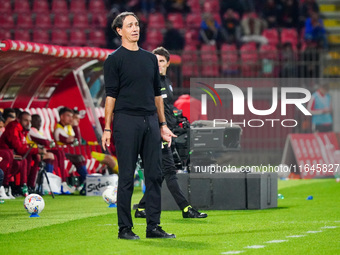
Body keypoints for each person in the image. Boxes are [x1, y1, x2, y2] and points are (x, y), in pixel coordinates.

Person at [102, 12, 176, 239]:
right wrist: (107, 128)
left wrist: (163, 124)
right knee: (126, 176)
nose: (135, 28)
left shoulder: (150, 59)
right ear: (119, 31)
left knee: (154, 175)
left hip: (151, 121)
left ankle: (153, 227)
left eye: (136, 24)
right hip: (125, 121)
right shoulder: (113, 59)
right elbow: (110, 96)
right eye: (130, 25)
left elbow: (157, 95)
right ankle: (125, 228)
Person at [135, 47, 207, 219]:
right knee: (170, 171)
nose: (157, 64)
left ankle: (141, 207)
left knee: (161, 174)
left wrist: (176, 119)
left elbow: (164, 108)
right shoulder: (151, 82)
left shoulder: (165, 81)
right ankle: (185, 208)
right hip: (157, 132)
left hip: (166, 130)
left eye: (161, 61)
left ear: (168, 63)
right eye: (155, 61)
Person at [0, 111, 54, 195]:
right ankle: (12, 187)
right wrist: (38, 150)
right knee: (20, 160)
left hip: (12, 154)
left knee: (34, 157)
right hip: (5, 154)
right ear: (18, 119)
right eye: (26, 120)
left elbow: (22, 146)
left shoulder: (23, 130)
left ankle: (29, 186)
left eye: (30, 121)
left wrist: (36, 150)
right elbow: (19, 148)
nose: (28, 123)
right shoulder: (14, 128)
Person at [27, 114, 74, 194]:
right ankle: (48, 185)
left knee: (58, 153)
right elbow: (45, 141)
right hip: (31, 153)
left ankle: (60, 183)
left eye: (40, 121)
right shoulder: (31, 130)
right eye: (36, 121)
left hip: (38, 152)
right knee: (53, 155)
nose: (39, 123)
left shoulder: (37, 131)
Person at [54, 107, 88, 194]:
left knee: (81, 157)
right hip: (60, 153)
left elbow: (77, 141)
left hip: (67, 152)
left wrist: (74, 134)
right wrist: (76, 126)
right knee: (79, 158)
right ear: (61, 117)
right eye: (68, 116)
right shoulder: (58, 129)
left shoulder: (67, 128)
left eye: (71, 116)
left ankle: (85, 181)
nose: (71, 118)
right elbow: (75, 141)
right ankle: (87, 181)